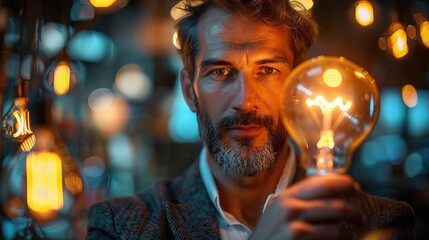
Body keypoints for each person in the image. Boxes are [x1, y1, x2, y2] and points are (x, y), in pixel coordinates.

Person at [86, 0, 415, 239]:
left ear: (299, 84)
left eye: (268, 70)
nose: (245, 101)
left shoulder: (381, 223)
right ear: (189, 90)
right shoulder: (121, 226)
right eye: (220, 72)